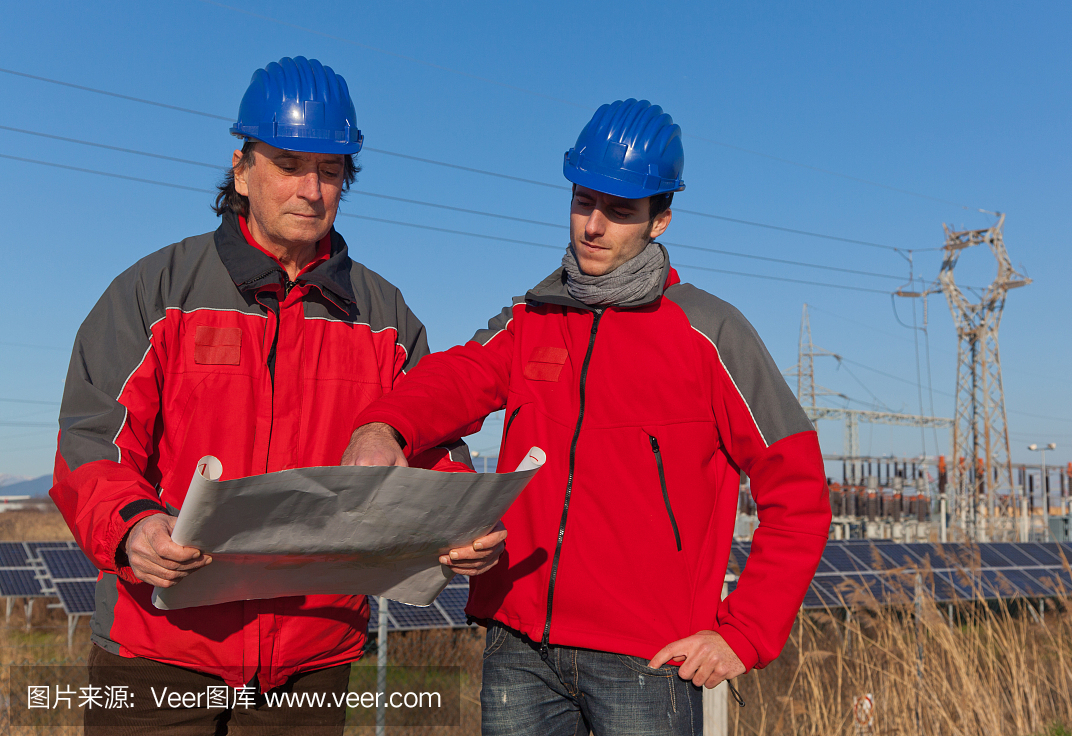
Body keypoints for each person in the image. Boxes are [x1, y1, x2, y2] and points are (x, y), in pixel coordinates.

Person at [342, 98, 832, 735]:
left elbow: (798, 490)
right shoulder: (535, 318)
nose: (592, 227)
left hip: (647, 660)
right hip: (518, 644)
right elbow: (459, 375)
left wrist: (745, 634)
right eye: (582, 202)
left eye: (620, 211)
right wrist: (385, 426)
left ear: (661, 220)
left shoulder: (709, 334)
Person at [49, 56, 504, 734]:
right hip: (161, 649)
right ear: (241, 167)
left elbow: (430, 448)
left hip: (313, 657)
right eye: (289, 164)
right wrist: (130, 527)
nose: (311, 190)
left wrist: (460, 522)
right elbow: (92, 439)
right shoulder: (156, 292)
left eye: (330, 171)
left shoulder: (384, 317)